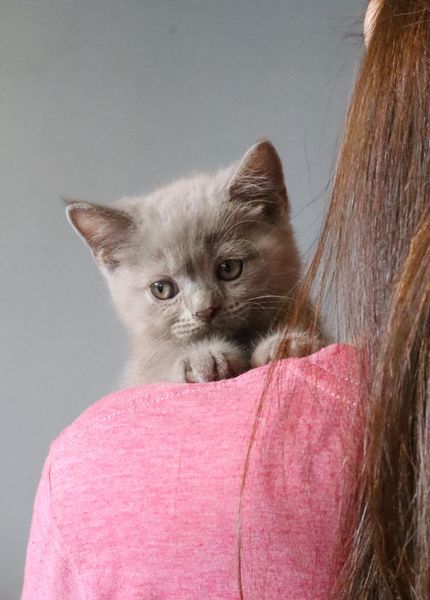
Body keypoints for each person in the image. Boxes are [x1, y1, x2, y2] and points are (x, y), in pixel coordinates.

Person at [22, 0, 430, 598]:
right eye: (164, 289)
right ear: (111, 262)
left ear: (272, 212)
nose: (203, 306)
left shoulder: (85, 459)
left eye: (230, 268)